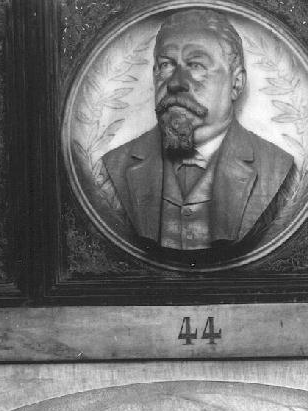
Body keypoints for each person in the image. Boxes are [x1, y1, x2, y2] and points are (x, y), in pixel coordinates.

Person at [102, 9, 294, 252]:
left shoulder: (278, 168)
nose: (175, 83)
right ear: (154, 76)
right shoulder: (112, 167)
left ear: (236, 83)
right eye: (166, 65)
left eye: (196, 65)